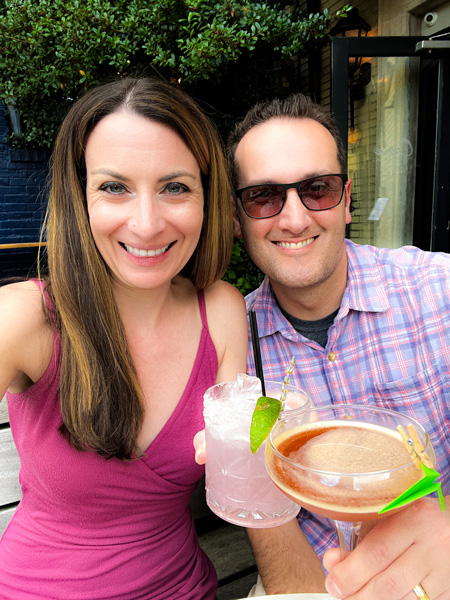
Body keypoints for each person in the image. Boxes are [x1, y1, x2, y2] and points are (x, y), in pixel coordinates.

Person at [0, 77, 248, 599]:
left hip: (187, 587)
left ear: (207, 198)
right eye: (115, 187)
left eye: (175, 187)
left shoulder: (221, 309)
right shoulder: (26, 316)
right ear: (80, 195)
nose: (147, 223)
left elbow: (242, 476)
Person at [226, 93, 450, 599]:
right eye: (264, 196)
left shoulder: (437, 290)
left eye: (317, 189)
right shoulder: (232, 342)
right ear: (238, 219)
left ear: (347, 200)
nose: (294, 219)